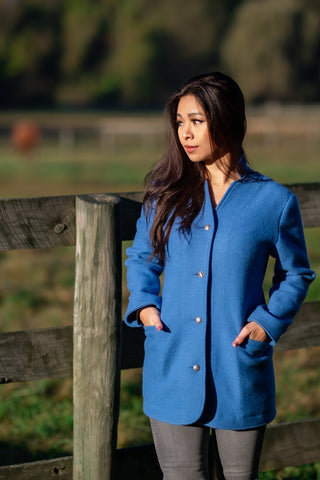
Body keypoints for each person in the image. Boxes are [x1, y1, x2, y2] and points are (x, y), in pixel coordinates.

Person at [124, 72, 315, 480]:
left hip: (238, 369)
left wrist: (266, 323)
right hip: (172, 363)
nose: (185, 133)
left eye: (196, 120)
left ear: (226, 119)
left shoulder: (274, 202)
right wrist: (144, 307)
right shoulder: (164, 194)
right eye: (179, 122)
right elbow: (141, 256)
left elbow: (296, 272)